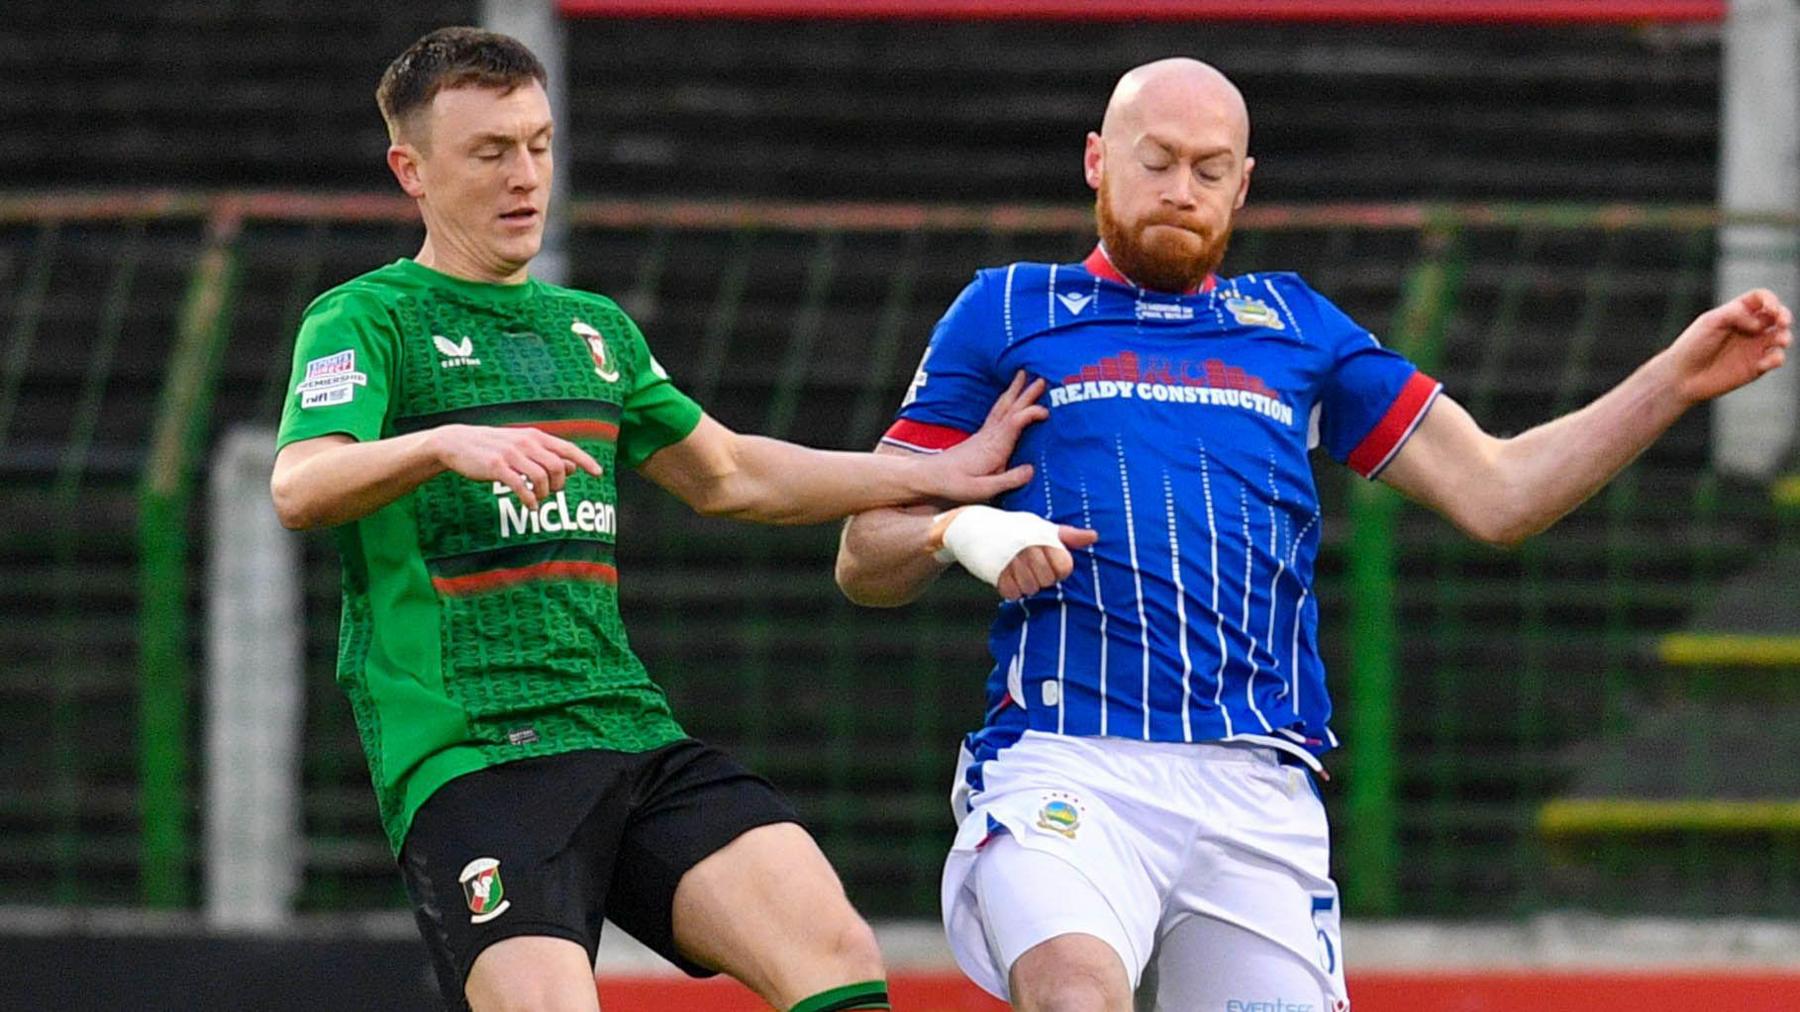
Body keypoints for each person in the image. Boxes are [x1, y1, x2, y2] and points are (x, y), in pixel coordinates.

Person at [834, 57, 1792, 1012]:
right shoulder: (1004, 310)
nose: (1180, 190)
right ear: (1097, 160)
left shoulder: (1296, 326)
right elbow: (862, 550)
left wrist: (1674, 380)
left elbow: (1502, 494)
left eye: (1210, 170)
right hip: (1067, 761)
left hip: (1257, 783)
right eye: (1156, 160)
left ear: (1243, 184)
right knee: (1077, 991)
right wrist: (956, 531)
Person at [269, 27, 1047, 1012]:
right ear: (410, 170)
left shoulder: (590, 331)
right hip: (476, 755)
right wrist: (440, 444)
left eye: (540, 145)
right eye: (490, 152)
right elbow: (299, 485)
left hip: (625, 729)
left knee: (833, 945)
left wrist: (940, 473)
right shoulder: (367, 319)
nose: (526, 176)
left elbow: (729, 473)